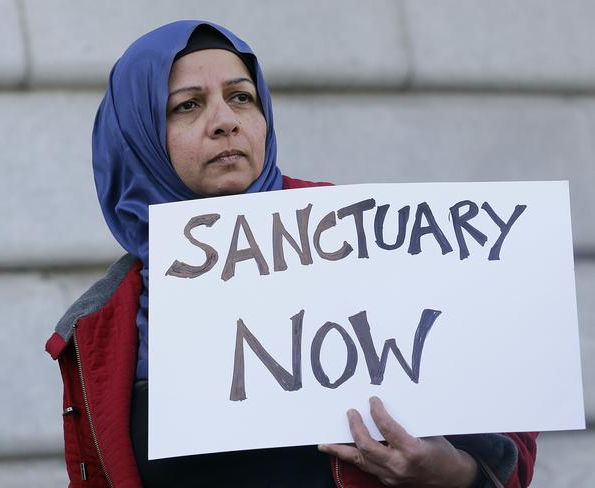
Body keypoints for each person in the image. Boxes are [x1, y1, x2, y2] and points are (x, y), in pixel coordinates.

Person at [46, 20, 538, 487]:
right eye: (187, 106)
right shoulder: (97, 328)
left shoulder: (370, 239)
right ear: (137, 136)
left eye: (242, 97)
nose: (225, 122)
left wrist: (452, 473)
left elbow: (507, 438)